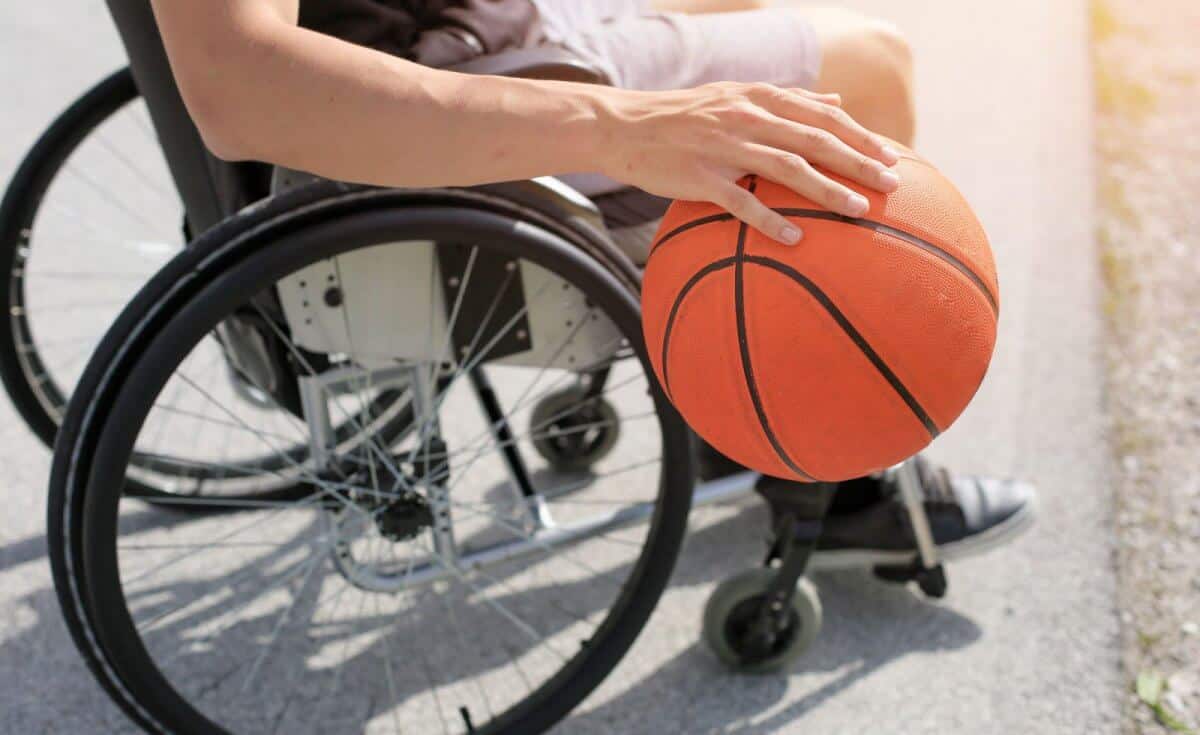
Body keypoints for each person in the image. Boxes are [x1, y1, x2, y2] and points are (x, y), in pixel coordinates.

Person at [148, 0, 1036, 565]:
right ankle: (841, 482)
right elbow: (242, 84)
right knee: (875, 65)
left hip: (482, 26)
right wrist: (629, 129)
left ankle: (745, 405)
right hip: (458, 71)